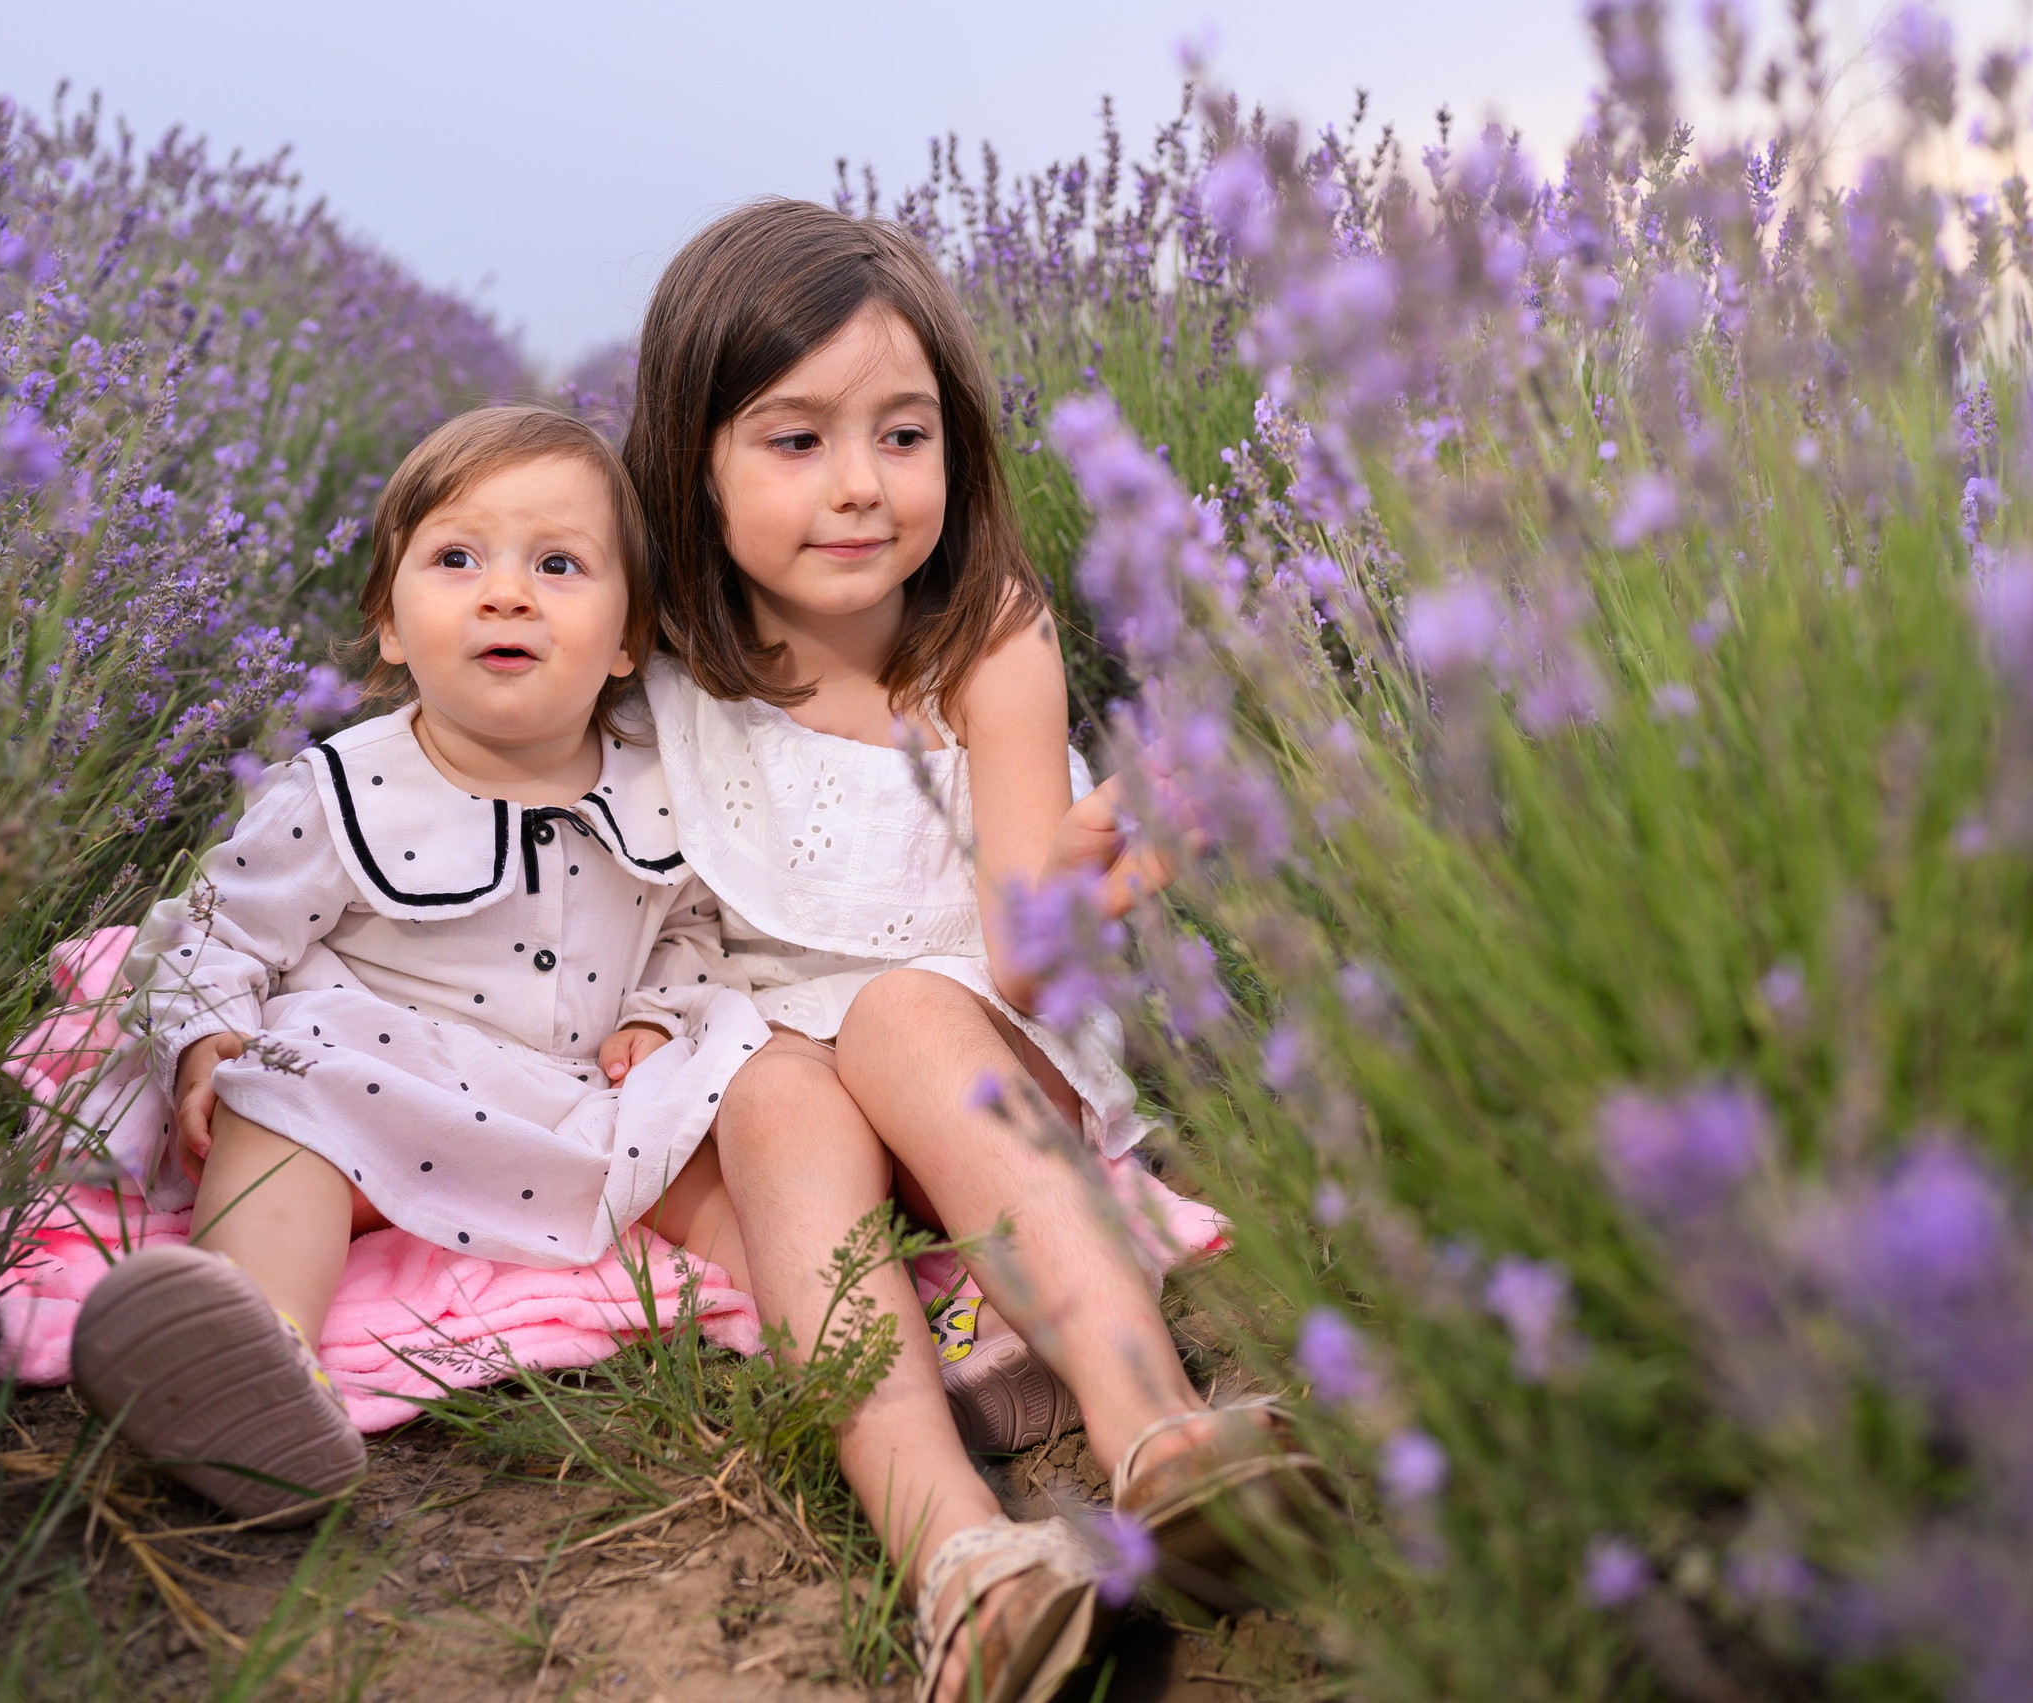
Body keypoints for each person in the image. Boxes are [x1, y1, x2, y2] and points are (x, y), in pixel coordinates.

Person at [628, 199, 1327, 1703]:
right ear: (694, 459)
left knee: (890, 1017)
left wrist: (1097, 868)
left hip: (974, 1051)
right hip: (786, 1102)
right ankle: (962, 1560)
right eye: (796, 440)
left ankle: (1156, 1433)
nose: (862, 485)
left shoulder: (986, 635)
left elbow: (1016, 951)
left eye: (904, 433)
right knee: (772, 1089)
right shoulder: (668, 660)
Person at [67, 406, 772, 1525]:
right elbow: (218, 927)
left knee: (730, 1148)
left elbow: (688, 925)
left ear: (630, 637)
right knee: (277, 1099)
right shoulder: (345, 788)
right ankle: (256, 1360)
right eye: (455, 558)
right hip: (379, 1090)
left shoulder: (655, 787)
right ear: (389, 623)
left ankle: (851, 1328)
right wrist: (207, 1036)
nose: (505, 592)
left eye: (557, 563)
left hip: (579, 1105)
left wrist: (652, 1006)